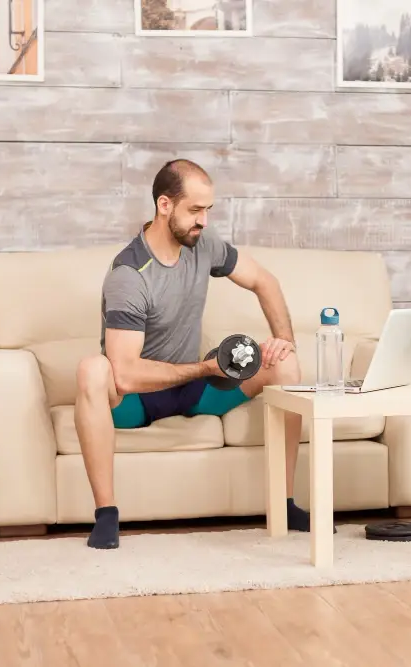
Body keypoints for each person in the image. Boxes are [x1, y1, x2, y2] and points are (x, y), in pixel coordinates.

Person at [73, 158, 309, 549]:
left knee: (284, 362)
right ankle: (107, 515)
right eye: (195, 210)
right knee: (92, 370)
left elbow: (265, 281)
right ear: (165, 206)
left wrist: (284, 339)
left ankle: (284, 503)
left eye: (208, 210)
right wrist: (203, 367)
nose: (203, 220)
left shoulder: (203, 245)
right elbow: (126, 374)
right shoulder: (129, 275)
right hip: (137, 399)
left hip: (195, 388)